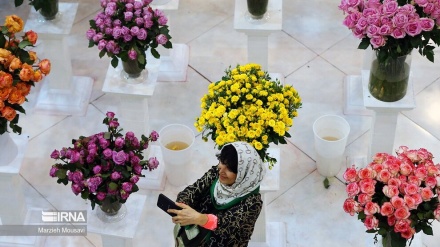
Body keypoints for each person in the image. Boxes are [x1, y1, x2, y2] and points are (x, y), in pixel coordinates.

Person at [168, 141, 266, 247]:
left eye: (229, 169)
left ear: (244, 174)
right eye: (222, 162)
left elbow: (226, 224)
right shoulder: (216, 172)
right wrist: (183, 205)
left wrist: (199, 218)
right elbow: (194, 189)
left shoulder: (253, 202)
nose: (221, 170)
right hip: (193, 238)